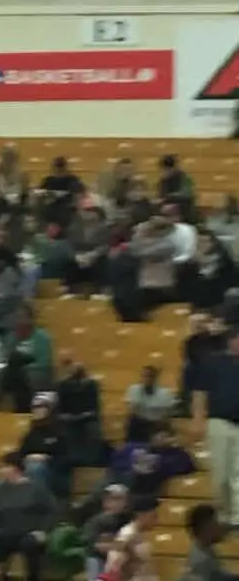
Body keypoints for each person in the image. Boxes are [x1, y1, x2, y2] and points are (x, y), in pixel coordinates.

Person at [0, 452, 56, 581]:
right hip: (7, 532)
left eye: (3, 467)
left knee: (29, 544)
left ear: (14, 468)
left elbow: (51, 511)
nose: (0, 471)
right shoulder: (1, 489)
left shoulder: (36, 488)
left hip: (29, 532)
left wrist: (43, 530)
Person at [192, 327, 239, 523]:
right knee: (220, 476)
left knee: (238, 475)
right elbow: (200, 392)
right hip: (220, 422)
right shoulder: (214, 362)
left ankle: (237, 518)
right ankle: (223, 515)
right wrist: (197, 419)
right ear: (230, 342)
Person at [56, 356, 106, 466]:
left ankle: (91, 461)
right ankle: (72, 460)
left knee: (93, 430)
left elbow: (94, 406)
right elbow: (60, 405)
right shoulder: (63, 385)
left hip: (87, 417)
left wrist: (86, 414)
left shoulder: (91, 385)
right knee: (66, 429)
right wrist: (64, 415)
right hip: (69, 417)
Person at [1, 309, 53, 412]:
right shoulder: (11, 337)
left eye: (23, 317)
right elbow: (6, 357)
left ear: (31, 320)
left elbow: (44, 362)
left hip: (37, 370)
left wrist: (25, 368)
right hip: (14, 372)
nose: (20, 321)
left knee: (18, 370)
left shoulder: (42, 337)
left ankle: (21, 409)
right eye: (18, 317)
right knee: (12, 366)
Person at [17, 395, 69, 497]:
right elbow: (21, 453)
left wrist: (46, 458)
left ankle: (37, 503)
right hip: (30, 470)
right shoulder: (32, 433)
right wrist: (26, 458)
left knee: (36, 468)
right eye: (34, 407)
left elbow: (67, 459)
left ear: (50, 409)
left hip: (56, 473)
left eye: (40, 407)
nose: (36, 410)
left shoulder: (60, 430)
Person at [101, 495, 158, 581]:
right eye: (153, 516)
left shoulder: (141, 534)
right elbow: (113, 563)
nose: (157, 520)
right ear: (142, 515)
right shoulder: (127, 534)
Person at [82, 485, 130, 581]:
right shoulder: (96, 521)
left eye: (121, 499)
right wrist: (115, 547)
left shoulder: (128, 520)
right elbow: (92, 545)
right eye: (114, 499)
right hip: (98, 560)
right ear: (105, 501)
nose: (118, 503)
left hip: (121, 562)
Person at [184, 503, 239, 581]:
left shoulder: (205, 550)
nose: (221, 527)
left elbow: (222, 576)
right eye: (217, 523)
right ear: (207, 527)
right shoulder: (201, 561)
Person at [64, 207, 110, 297]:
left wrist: (93, 255)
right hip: (79, 256)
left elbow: (106, 246)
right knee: (70, 263)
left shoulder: (104, 229)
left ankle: (102, 291)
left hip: (96, 256)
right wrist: (76, 256)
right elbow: (68, 246)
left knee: (104, 263)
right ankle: (70, 291)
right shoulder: (72, 229)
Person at [185, 233, 236, 312]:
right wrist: (195, 264)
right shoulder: (190, 263)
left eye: (205, 242)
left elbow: (231, 281)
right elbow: (185, 284)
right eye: (199, 242)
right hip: (197, 303)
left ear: (213, 243)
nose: (202, 245)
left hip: (220, 302)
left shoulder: (224, 261)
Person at [125, 365, 173, 443]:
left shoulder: (165, 393)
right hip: (139, 423)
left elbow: (166, 414)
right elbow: (132, 409)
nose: (147, 379)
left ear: (155, 378)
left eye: (150, 376)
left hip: (157, 424)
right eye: (144, 376)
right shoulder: (134, 389)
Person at [35, 157, 84, 230]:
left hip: (62, 211)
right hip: (60, 211)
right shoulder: (72, 179)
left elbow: (78, 196)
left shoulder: (49, 181)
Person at [0, 144, 30, 222]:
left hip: (17, 207)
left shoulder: (23, 174)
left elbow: (25, 194)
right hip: (1, 206)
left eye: (11, 157)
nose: (9, 160)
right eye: (6, 156)